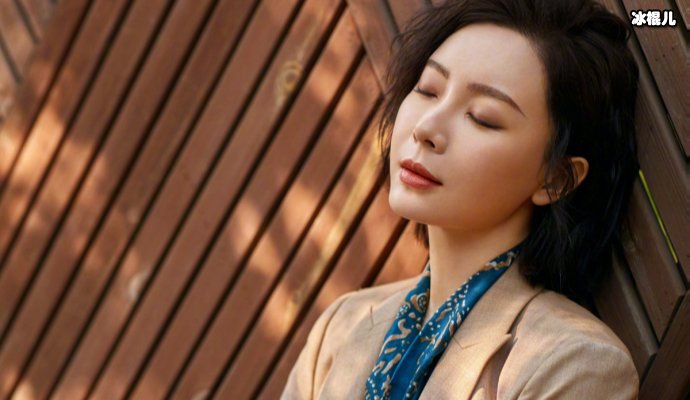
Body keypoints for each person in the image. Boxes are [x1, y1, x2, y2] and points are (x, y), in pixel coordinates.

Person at [282, 0, 640, 398]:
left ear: (556, 179)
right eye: (428, 90)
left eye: (482, 117)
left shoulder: (573, 364)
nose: (426, 128)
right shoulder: (340, 328)